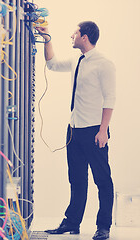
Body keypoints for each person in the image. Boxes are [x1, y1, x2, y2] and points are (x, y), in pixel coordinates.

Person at [36, 21, 116, 240]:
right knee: (77, 179)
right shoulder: (76, 60)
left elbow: (110, 99)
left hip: (94, 131)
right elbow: (51, 64)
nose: (72, 35)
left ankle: (103, 227)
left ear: (85, 37)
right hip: (74, 130)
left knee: (102, 180)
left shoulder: (104, 64)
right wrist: (46, 38)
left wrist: (103, 130)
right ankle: (72, 223)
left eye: (75, 33)